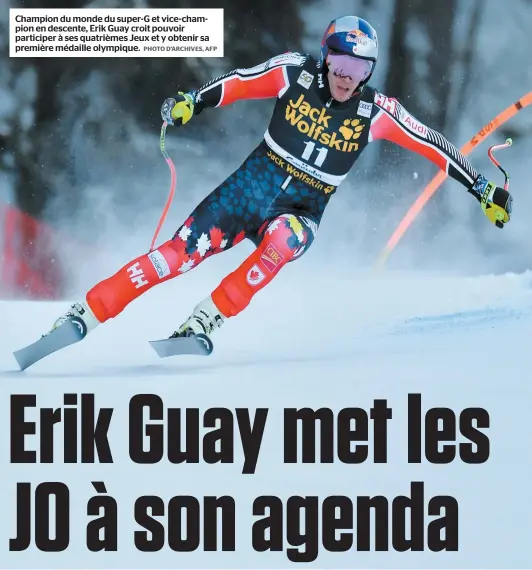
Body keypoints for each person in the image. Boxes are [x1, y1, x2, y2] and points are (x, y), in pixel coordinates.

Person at [48, 15, 513, 350]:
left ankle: (205, 321)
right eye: (341, 65)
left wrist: (481, 188)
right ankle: (86, 311)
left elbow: (431, 143)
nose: (347, 78)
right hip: (249, 189)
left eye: (361, 69)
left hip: (301, 211)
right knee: (178, 255)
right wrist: (194, 100)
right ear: (326, 57)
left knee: (282, 245)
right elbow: (240, 82)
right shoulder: (295, 72)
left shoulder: (376, 111)